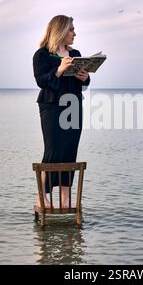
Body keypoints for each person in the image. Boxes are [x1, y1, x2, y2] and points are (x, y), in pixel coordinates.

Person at [33, 15, 90, 209]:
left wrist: (84, 77)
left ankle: (65, 199)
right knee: (53, 151)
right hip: (51, 107)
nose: (75, 33)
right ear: (61, 31)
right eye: (71, 29)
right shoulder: (42, 55)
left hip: (73, 105)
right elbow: (41, 81)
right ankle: (42, 197)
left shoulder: (76, 54)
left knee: (69, 151)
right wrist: (59, 69)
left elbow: (83, 83)